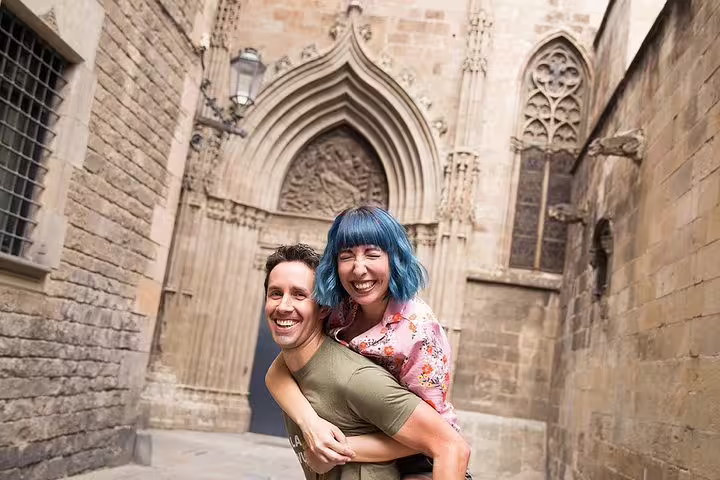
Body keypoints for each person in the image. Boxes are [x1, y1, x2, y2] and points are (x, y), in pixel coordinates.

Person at [266, 207, 468, 479]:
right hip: (378, 429)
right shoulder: (339, 308)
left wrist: (342, 447)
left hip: (425, 459)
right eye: (346, 256)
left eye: (372, 254)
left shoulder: (419, 330)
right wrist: (311, 425)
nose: (358, 269)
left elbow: (441, 438)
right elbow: (281, 368)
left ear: (394, 258)